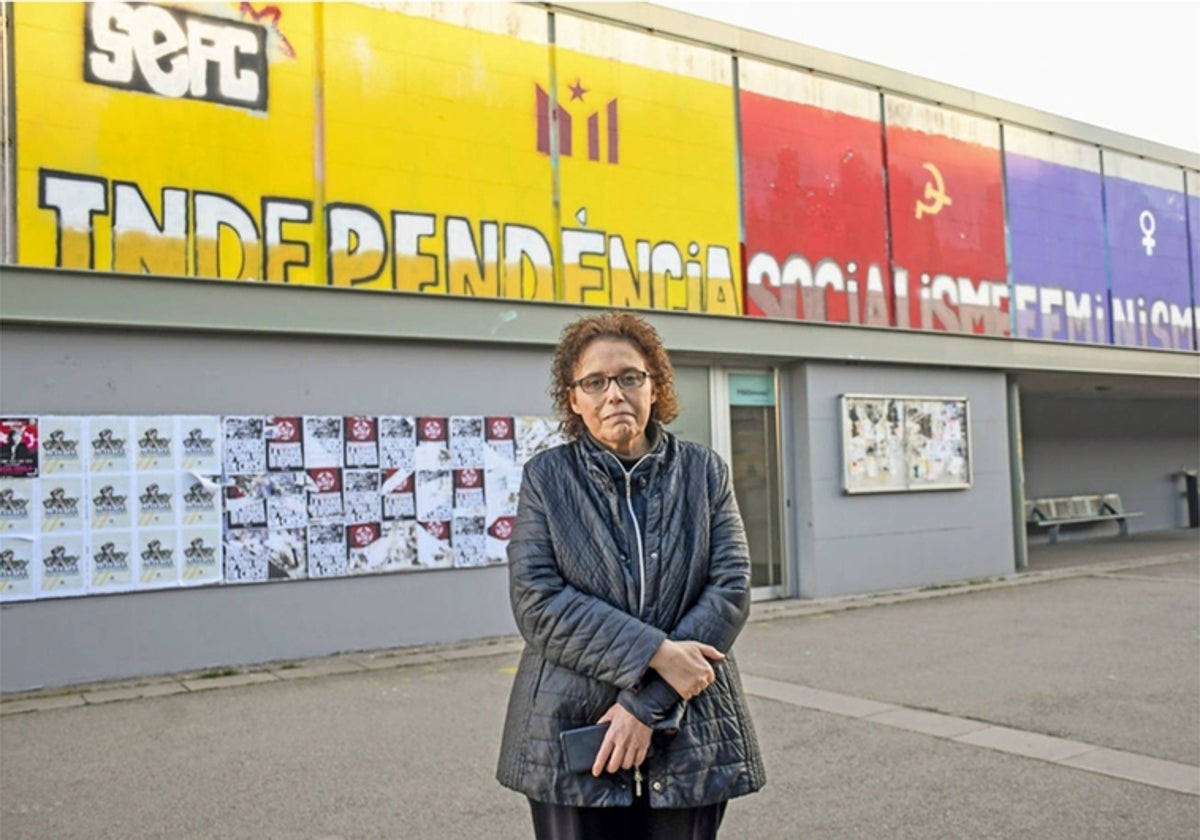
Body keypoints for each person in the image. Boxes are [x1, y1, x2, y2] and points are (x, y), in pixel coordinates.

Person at [496, 311, 764, 839]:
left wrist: (644, 704)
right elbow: (537, 601)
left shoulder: (703, 472)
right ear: (574, 399)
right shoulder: (548, 479)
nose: (613, 393)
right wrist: (658, 654)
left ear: (655, 386)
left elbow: (730, 587)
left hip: (691, 729)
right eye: (595, 382)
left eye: (629, 377)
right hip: (572, 724)